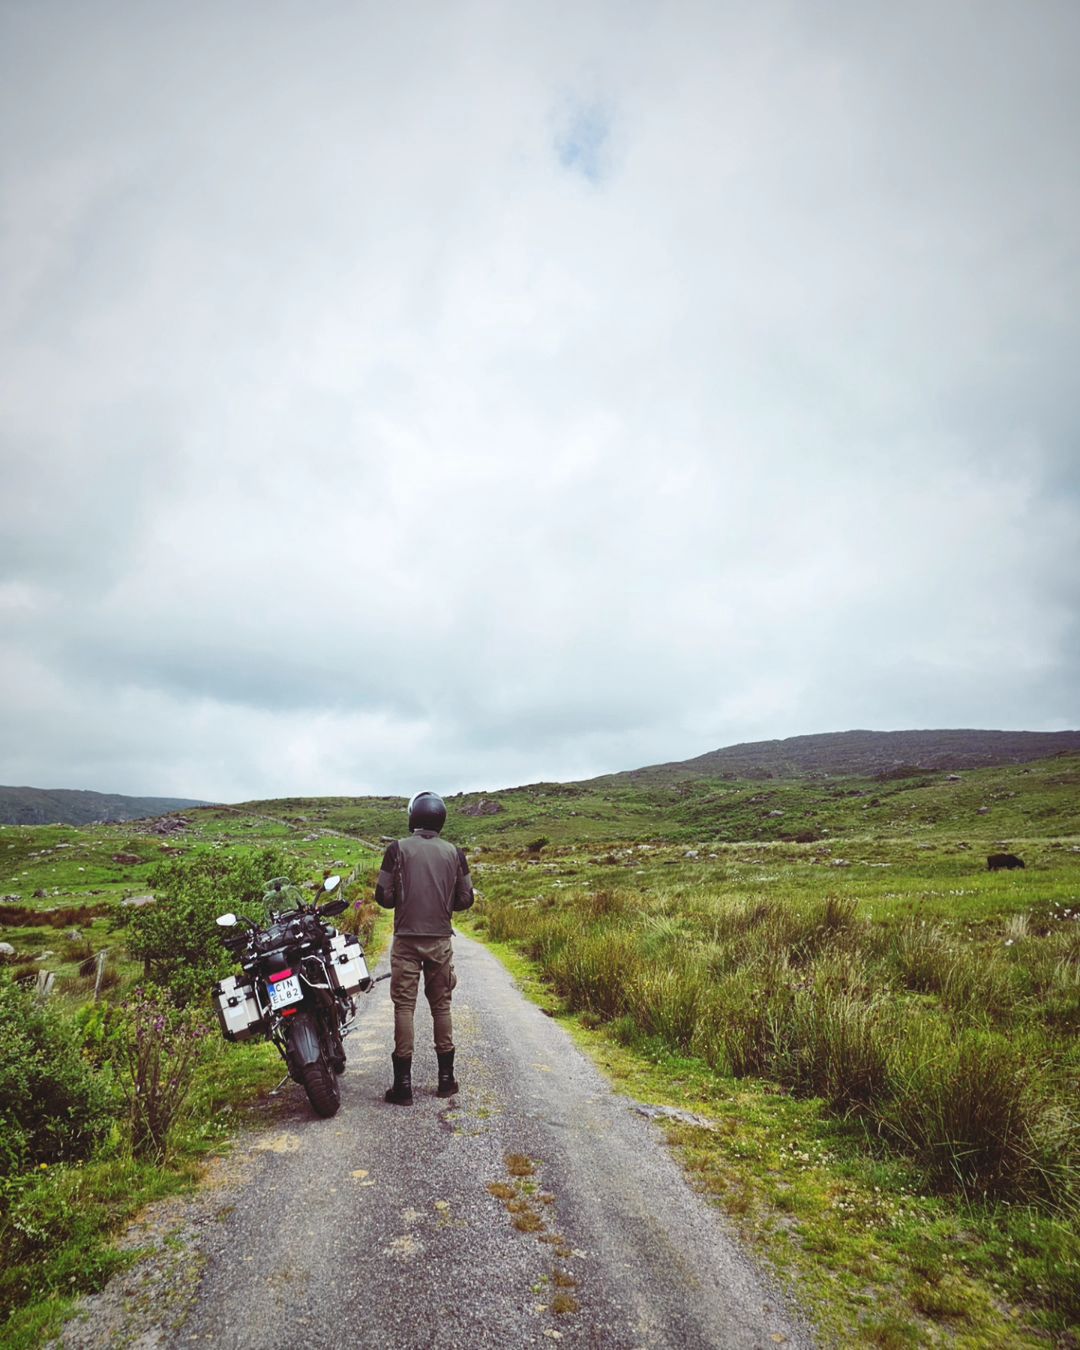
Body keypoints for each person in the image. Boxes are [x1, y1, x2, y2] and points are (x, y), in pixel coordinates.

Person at [374, 790, 474, 1105]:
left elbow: (382, 896)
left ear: (414, 817)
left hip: (405, 940)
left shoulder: (396, 850)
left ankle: (402, 1085)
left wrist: (403, 897)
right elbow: (466, 899)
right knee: (441, 1006)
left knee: (404, 1007)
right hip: (440, 940)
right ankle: (446, 1080)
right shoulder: (455, 853)